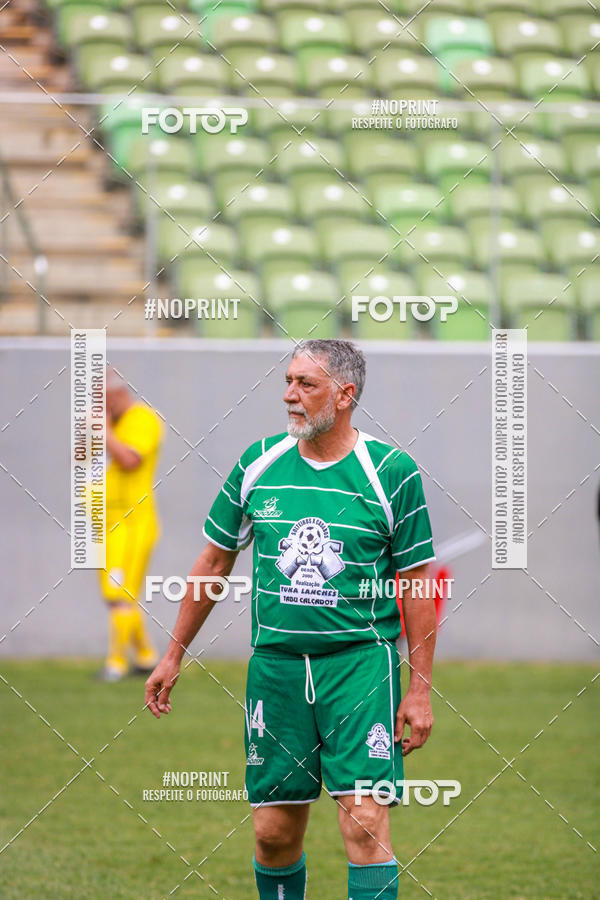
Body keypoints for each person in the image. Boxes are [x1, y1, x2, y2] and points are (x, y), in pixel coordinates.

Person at [145, 339, 437, 899]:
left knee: (365, 825)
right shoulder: (258, 464)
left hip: (359, 669)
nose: (289, 396)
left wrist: (419, 690)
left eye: (306, 384)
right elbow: (212, 562)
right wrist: (173, 653)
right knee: (273, 833)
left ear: (345, 394)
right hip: (276, 672)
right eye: (288, 381)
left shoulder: (391, 471)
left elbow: (418, 581)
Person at [97, 368, 162, 681]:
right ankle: (147, 658)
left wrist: (103, 432)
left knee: (118, 594)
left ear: (116, 394)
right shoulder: (113, 424)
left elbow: (130, 459)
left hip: (132, 523)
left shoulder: (142, 419)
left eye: (100, 398)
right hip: (107, 524)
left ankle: (116, 664)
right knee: (121, 595)